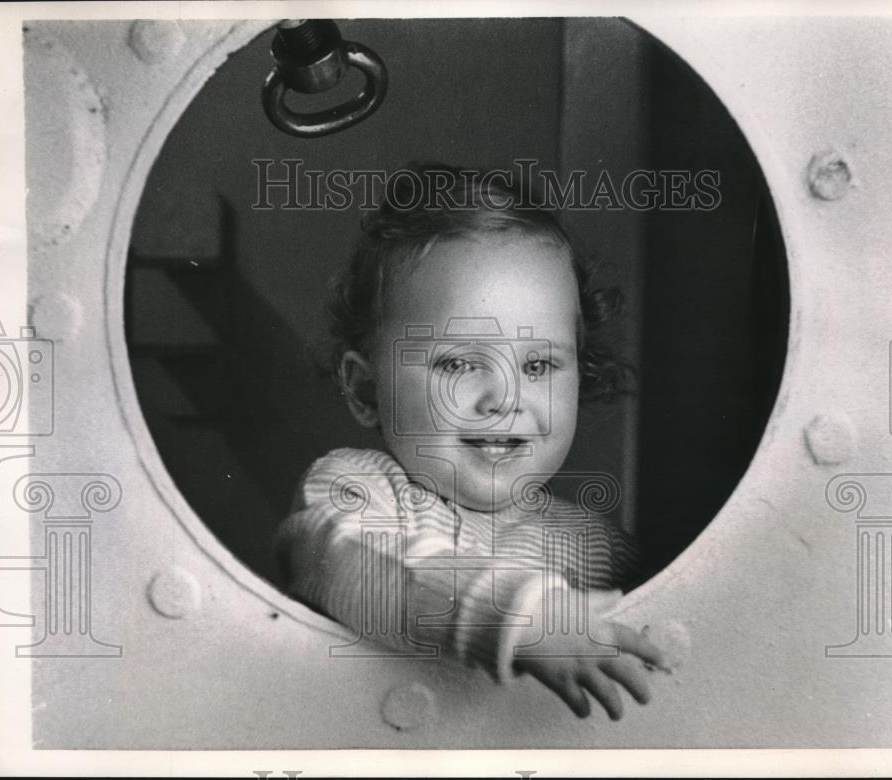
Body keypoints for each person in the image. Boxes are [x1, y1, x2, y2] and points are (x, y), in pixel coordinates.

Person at [275, 163, 667, 720]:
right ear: (366, 390)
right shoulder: (353, 489)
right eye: (458, 362)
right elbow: (344, 563)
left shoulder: (598, 547)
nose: (504, 397)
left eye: (538, 363)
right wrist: (515, 617)